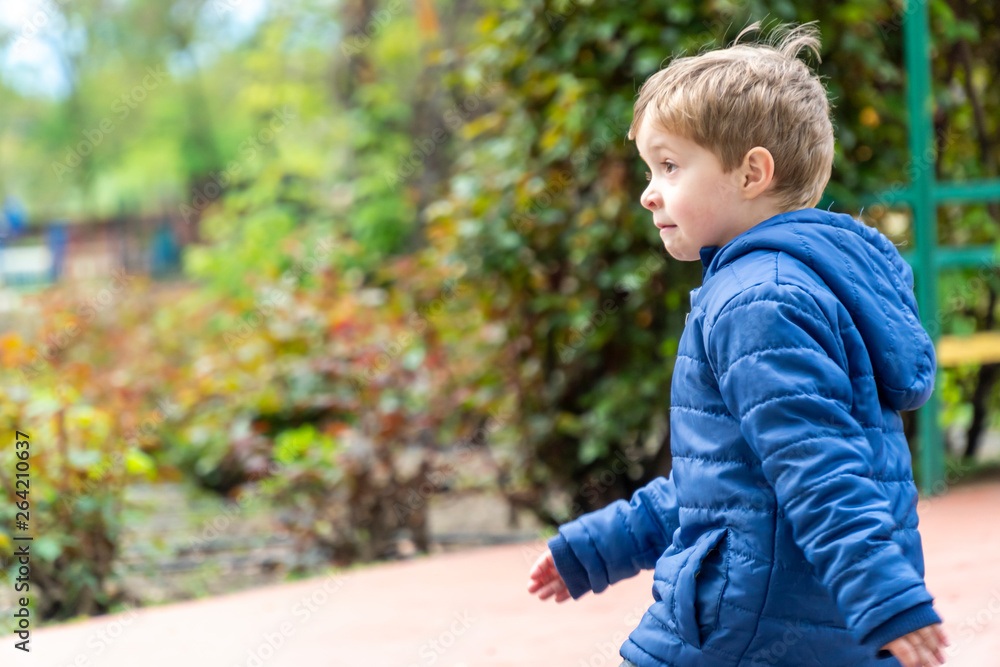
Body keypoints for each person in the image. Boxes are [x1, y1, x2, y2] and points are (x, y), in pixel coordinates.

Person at [526, 20, 950, 667]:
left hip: (743, 625)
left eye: (670, 166)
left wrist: (887, 599)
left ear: (752, 172)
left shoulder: (758, 300)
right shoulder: (804, 282)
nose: (648, 193)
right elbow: (732, 482)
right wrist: (601, 545)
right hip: (806, 620)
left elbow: (817, 466)